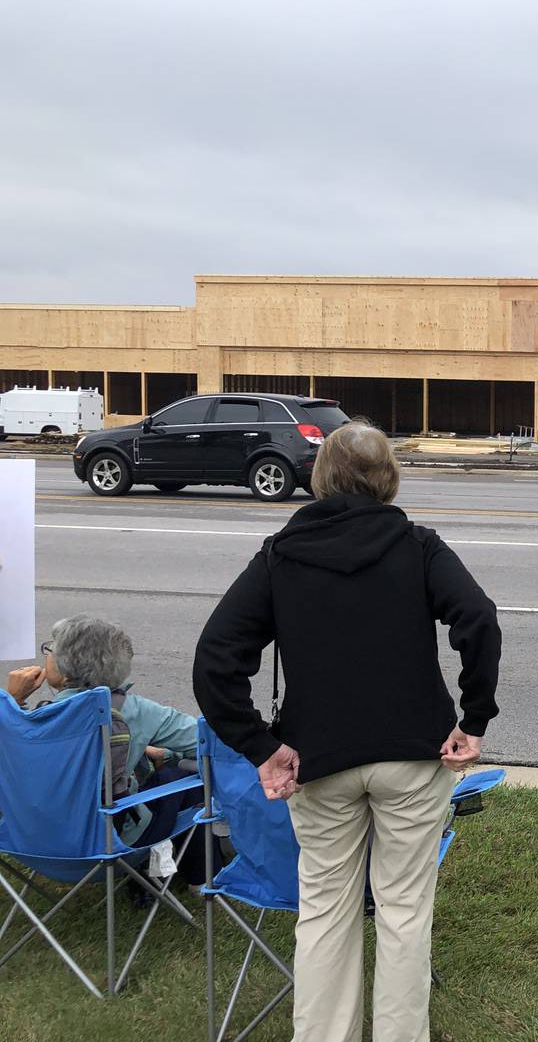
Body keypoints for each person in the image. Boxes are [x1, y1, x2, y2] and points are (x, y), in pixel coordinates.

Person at [193, 421, 503, 1042]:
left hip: (318, 760)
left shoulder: (281, 554)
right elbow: (478, 617)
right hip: (414, 756)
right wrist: (472, 719)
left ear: (319, 477)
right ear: (388, 479)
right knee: (404, 913)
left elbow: (214, 660)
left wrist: (260, 745)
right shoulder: (417, 546)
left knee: (326, 912)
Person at [6, 615, 204, 888]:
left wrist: (12, 699)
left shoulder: (24, 719)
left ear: (66, 668)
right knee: (182, 776)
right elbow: (208, 743)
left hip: (28, 843)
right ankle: (202, 880)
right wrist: (171, 756)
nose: (46, 655)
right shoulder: (135, 710)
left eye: (51, 650)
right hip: (104, 848)